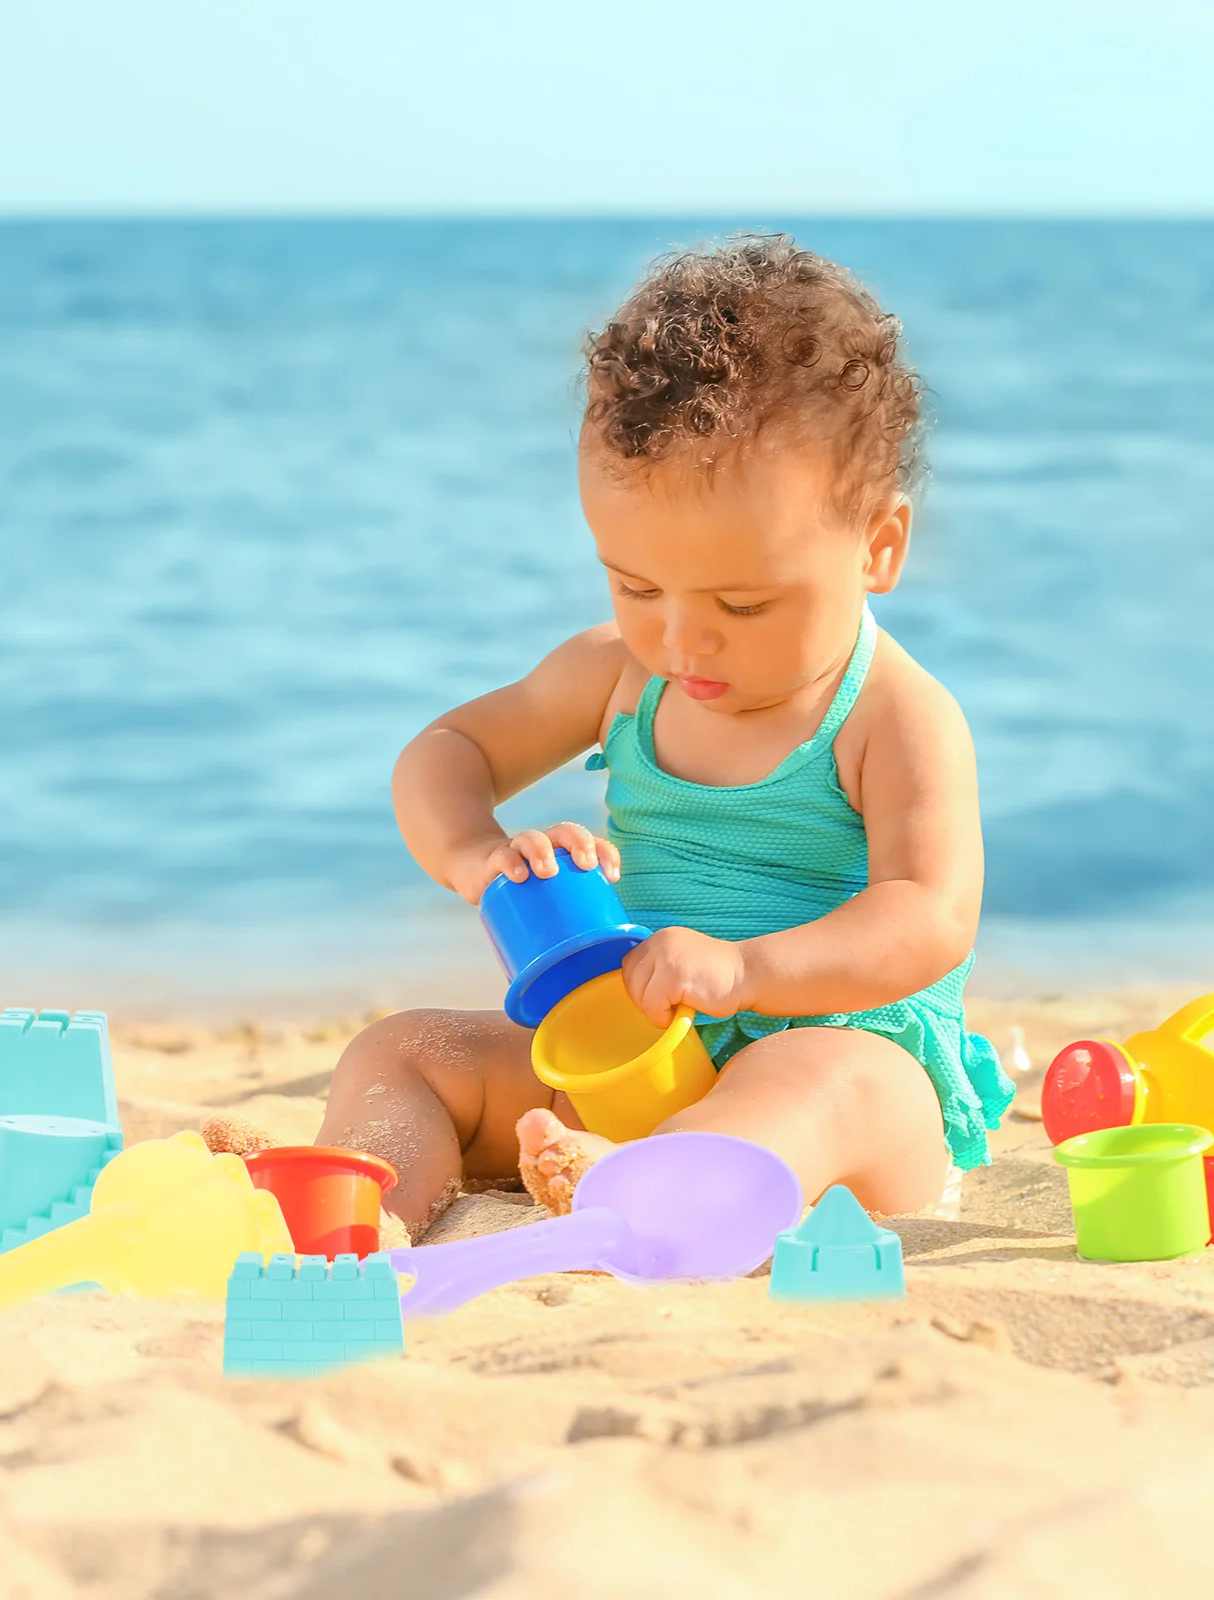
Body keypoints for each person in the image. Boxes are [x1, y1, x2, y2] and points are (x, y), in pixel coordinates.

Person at [228, 235, 1013, 1236]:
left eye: (742, 599)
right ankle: (369, 1204)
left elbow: (928, 916)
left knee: (825, 1080)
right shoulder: (621, 674)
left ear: (878, 547)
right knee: (399, 1050)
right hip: (629, 1048)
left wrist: (748, 971)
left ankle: (664, 1186)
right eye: (636, 585)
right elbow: (445, 756)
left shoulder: (891, 713)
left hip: (839, 1063)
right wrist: (479, 860)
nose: (681, 636)